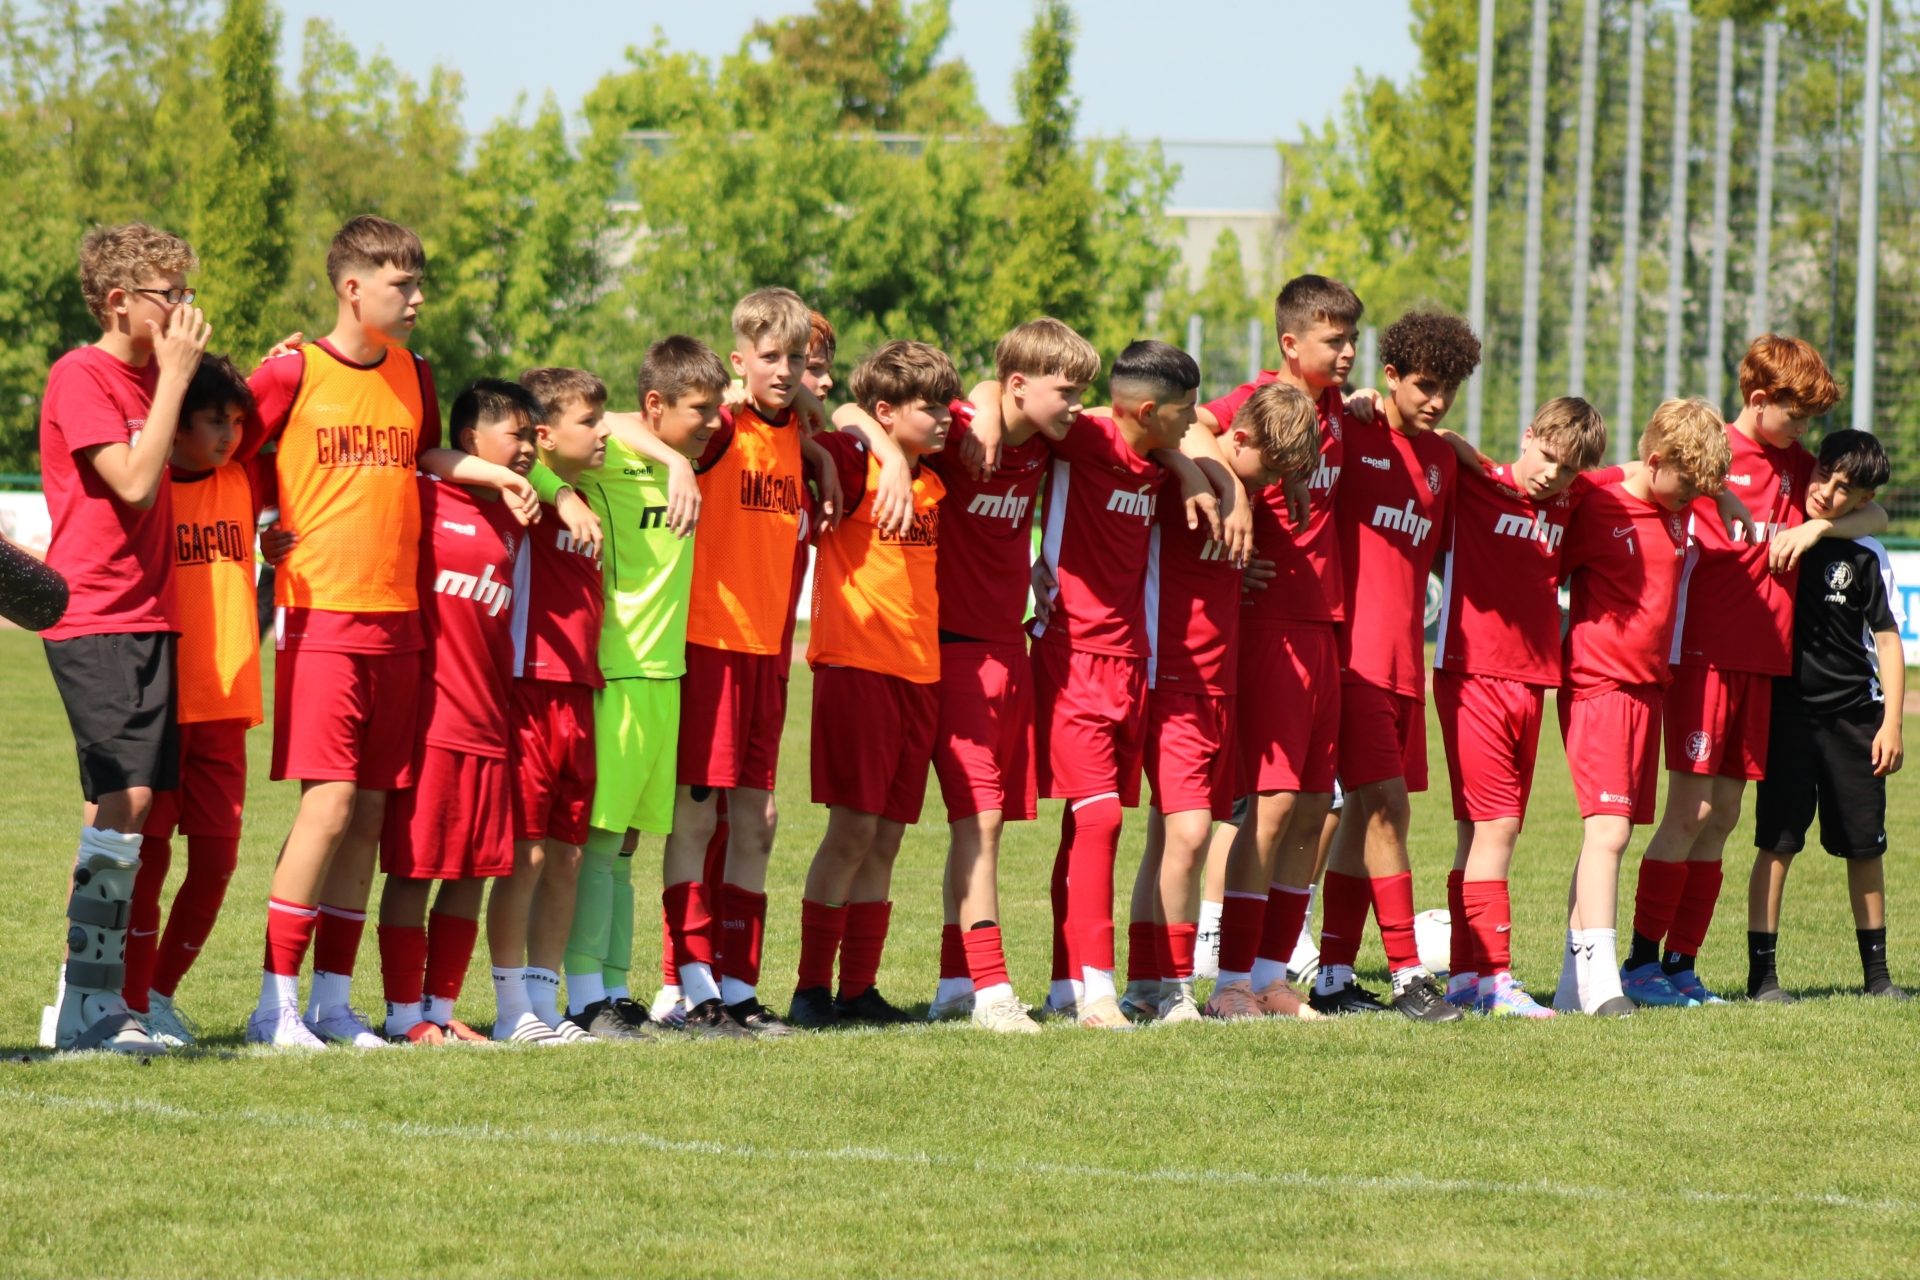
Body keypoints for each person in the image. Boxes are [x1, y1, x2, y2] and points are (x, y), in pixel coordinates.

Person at [238, 215, 540, 1047]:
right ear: (351, 287)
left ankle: (334, 1005)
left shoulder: (416, 374)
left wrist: (500, 478)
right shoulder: (292, 371)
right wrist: (262, 526)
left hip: (399, 623)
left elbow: (424, 460)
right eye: (401, 284)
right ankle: (274, 1005)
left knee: (369, 814)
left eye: (417, 283)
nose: (416, 299)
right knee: (330, 804)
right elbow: (225, 452)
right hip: (323, 614)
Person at [1627, 336, 1879, 1006]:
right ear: (1759, 398)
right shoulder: (1710, 449)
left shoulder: (1800, 466)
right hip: (1703, 658)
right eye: (1796, 415)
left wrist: (1817, 530)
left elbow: (1873, 508)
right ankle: (1639, 963)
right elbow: (1639, 474)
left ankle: (1682, 964)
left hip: (1762, 666)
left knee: (1726, 815)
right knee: (1691, 810)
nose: (1804, 430)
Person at [41, 222, 208, 1053]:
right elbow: (137, 483)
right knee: (129, 801)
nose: (184, 309)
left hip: (150, 614)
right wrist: (175, 377)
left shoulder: (153, 378)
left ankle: (80, 998)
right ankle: (92, 1005)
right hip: (97, 613)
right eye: (168, 294)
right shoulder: (82, 375)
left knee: (124, 806)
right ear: (119, 301)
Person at [907, 319, 1098, 1033]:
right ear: (1018, 386)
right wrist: (984, 404)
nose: (1077, 404)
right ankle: (992, 992)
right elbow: (883, 415)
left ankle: (955, 985)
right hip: (948, 650)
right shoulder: (960, 429)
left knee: (982, 827)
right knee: (980, 821)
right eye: (1066, 391)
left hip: (1006, 649)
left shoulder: (1048, 446)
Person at [1028, 340, 1223, 1029]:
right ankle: (1097, 994)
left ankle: (1065, 984)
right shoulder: (1081, 438)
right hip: (1071, 656)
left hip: (1132, 664)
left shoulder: (1157, 460)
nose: (1193, 420)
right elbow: (1002, 402)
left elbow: (1192, 450)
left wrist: (1187, 467)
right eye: (1184, 411)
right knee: (1101, 819)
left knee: (1084, 825)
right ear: (1146, 411)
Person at [1196, 275, 1369, 1022]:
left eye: (1353, 339)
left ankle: (1271, 978)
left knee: (1312, 807)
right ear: (1292, 342)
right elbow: (1189, 428)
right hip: (1268, 628)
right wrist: (1236, 498)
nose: (1349, 352)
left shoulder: (1337, 409)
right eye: (1335, 340)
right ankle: (1230, 982)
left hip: (1325, 626)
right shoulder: (1256, 400)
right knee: (1268, 808)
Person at [1130, 379, 1318, 1023]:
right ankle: (1176, 989)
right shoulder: (1193, 474)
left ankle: (1145, 983)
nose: (1272, 484)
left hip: (1220, 685)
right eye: (1268, 469)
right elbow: (1167, 429)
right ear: (1238, 439)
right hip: (1171, 679)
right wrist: (1216, 481)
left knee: (1168, 838)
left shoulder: (1251, 491)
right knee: (1185, 836)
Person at [1314, 311, 1479, 1022]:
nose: (1437, 400)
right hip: (1351, 662)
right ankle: (1410, 975)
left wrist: (1463, 449)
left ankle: (1332, 978)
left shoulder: (1442, 459)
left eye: (1449, 389)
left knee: (1361, 817)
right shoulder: (1348, 431)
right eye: (1425, 385)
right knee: (1388, 809)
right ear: (1389, 377)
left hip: (1408, 665)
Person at [788, 341, 958, 1027]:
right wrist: (872, 440)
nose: (945, 417)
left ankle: (858, 989)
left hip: (920, 674)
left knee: (887, 838)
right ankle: (809, 991)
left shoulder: (933, 479)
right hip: (856, 668)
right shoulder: (857, 463)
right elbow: (818, 424)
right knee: (852, 831)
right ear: (887, 412)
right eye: (930, 407)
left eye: (947, 404)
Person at [1427, 397, 1611, 1017]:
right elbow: (1438, 439)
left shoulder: (1573, 496)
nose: (1552, 475)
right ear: (1527, 435)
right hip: (1472, 674)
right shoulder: (1476, 482)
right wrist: (1463, 448)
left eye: (1568, 468)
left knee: (1476, 833)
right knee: (1497, 828)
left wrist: (1721, 496)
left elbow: (1642, 471)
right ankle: (1496, 980)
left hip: (1533, 683)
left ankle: (1464, 978)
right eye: (1547, 457)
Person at [375, 380, 540, 1044]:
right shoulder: (426, 493)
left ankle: (441, 1009)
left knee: (475, 869)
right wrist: (487, 472)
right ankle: (401, 1014)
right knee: (415, 869)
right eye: (516, 435)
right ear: (473, 438)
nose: (528, 450)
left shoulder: (514, 513)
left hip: (489, 717)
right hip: (432, 718)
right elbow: (426, 456)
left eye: (532, 438)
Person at [1554, 399, 1730, 1016]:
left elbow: (1699, 484)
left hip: (1647, 690)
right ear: (1654, 462)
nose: (1692, 502)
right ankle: (1605, 984)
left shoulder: (1676, 503)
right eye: (1686, 489)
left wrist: (1725, 500)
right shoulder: (1596, 505)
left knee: (1609, 835)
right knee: (1609, 830)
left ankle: (1572, 985)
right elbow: (1545, 547)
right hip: (1599, 684)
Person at [121, 355, 270, 1045]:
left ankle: (158, 996)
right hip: (159, 705)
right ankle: (126, 1000)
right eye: (215, 421)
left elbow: (278, 411)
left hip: (226, 705)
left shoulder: (242, 478)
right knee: (146, 862)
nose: (230, 435)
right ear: (174, 425)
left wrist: (274, 367)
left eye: (237, 422)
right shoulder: (145, 488)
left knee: (216, 863)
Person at [1749, 429, 1906, 1002]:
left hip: (1855, 720)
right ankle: (1762, 979)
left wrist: (1892, 722)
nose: (1826, 492)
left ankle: (1879, 978)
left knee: (1865, 846)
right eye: (1823, 475)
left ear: (1863, 499)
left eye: (1844, 489)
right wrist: (1810, 526)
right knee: (1777, 842)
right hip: (1786, 717)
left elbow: (1887, 639)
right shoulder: (1778, 528)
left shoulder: (1865, 553)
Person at [486, 367, 616, 1045]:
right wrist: (555, 490)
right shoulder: (528, 494)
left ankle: (543, 1002)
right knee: (527, 855)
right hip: (528, 688)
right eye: (588, 422)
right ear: (542, 435)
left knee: (566, 856)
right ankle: (511, 1008)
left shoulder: (588, 493)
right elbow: (497, 465)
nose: (602, 432)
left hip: (579, 693)